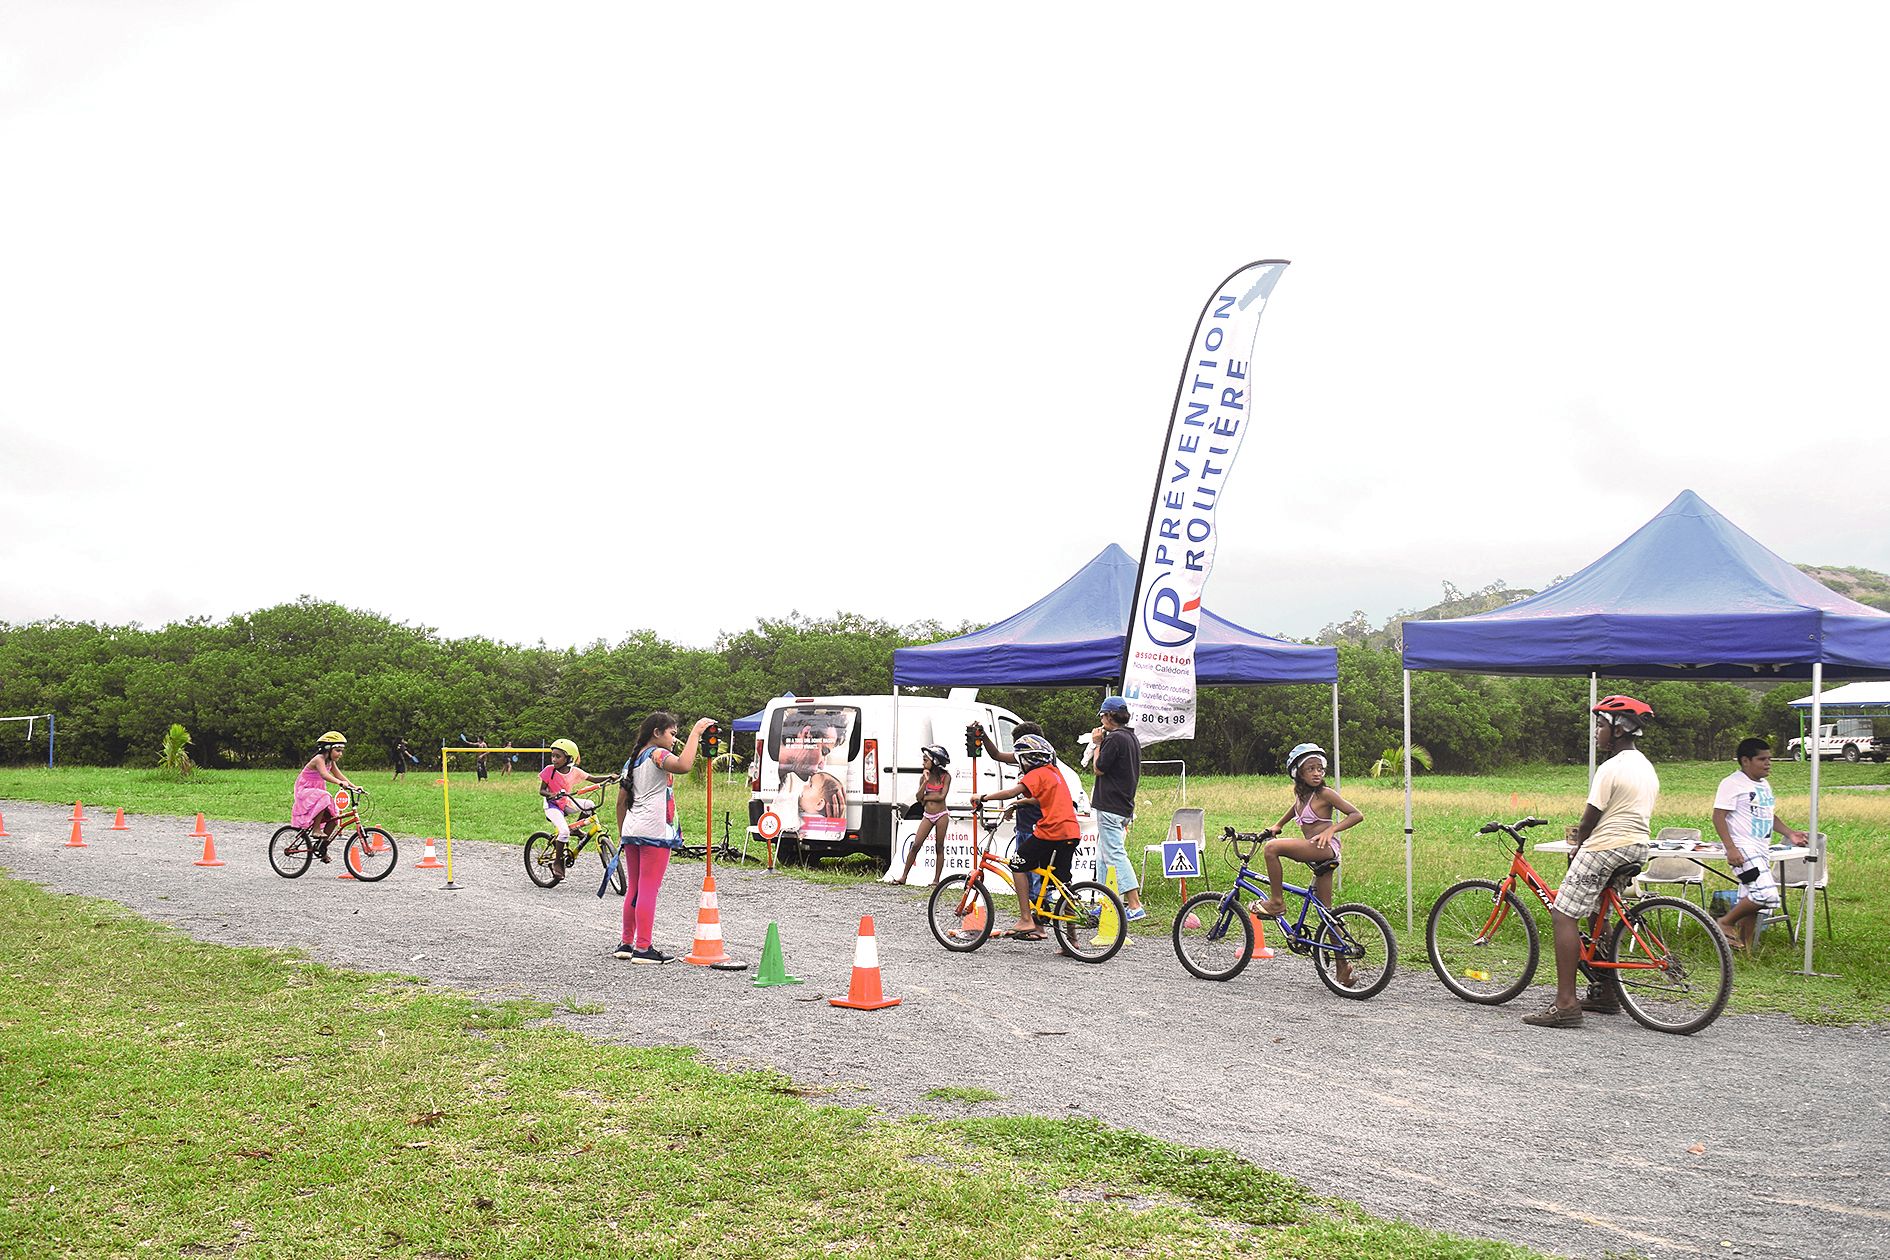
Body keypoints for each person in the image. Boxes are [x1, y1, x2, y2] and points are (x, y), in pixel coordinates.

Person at [1524, 695, 1660, 1028]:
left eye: (1601, 725)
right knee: (1600, 912)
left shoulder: (1610, 767)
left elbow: (1588, 821)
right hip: (1637, 847)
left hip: (1606, 848)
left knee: (1563, 914)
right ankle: (1606, 992)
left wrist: (1577, 848)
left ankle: (1566, 1004)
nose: (1597, 731)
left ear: (1618, 729)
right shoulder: (1645, 766)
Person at [612, 713, 716, 964]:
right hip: (654, 832)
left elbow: (620, 802)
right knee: (649, 888)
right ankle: (644, 948)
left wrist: (622, 833)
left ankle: (627, 943)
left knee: (635, 888)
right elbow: (684, 765)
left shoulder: (632, 760)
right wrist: (697, 733)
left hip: (633, 829)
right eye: (673, 734)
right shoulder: (657, 754)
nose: (674, 740)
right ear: (657, 733)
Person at [1257, 743, 1363, 984]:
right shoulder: (1302, 795)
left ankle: (1275, 902)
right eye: (1311, 769)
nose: (1317, 773)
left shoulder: (1325, 794)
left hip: (1324, 849)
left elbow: (1356, 814)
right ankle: (1342, 968)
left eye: (1320, 769)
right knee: (1327, 912)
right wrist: (1277, 825)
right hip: (1321, 856)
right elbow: (1295, 809)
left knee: (1272, 849)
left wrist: (1332, 829)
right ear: (1298, 773)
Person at [971, 734, 1078, 943]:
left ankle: (1026, 919)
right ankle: (1071, 941)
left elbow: (1012, 791)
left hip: (1051, 831)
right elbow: (1042, 799)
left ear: (1026, 760)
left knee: (1018, 863)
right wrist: (1021, 804)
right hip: (1071, 833)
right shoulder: (1053, 773)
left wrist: (982, 797)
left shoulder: (1035, 774)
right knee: (1063, 885)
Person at [1712, 736, 1808, 951]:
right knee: (1766, 894)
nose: (1768, 763)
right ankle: (1725, 922)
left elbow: (1769, 815)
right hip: (1743, 848)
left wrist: (1790, 833)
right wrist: (1731, 848)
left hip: (1761, 848)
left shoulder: (1764, 784)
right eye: (1762, 759)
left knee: (1751, 899)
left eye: (1769, 759)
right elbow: (1718, 817)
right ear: (1745, 761)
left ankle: (1745, 949)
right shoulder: (1732, 783)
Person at [973, 720, 1049, 908]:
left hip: (1037, 825)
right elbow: (996, 754)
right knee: (1025, 871)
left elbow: (1022, 793)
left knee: (1031, 871)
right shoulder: (1027, 760)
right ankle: (1032, 913)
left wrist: (985, 797)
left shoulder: (1040, 765)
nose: (1018, 755)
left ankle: (1036, 915)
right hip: (1024, 823)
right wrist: (983, 736)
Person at [1087, 696, 1145, 920]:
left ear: (1109, 716)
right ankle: (1105, 901)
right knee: (1102, 856)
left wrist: (1098, 743)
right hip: (1123, 805)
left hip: (1110, 805)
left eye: (1102, 715)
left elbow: (1099, 768)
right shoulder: (1131, 738)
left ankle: (1134, 904)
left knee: (1115, 854)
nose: (1101, 720)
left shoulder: (1113, 740)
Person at [539, 738, 614, 877]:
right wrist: (552, 794)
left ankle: (576, 829)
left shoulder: (575, 772)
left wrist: (609, 777)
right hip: (552, 806)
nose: (554, 759)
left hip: (566, 802)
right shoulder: (549, 771)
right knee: (564, 832)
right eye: (553, 756)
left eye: (558, 756)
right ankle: (557, 863)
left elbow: (593, 778)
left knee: (590, 804)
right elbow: (542, 791)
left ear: (568, 758)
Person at [892, 745, 953, 886]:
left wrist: (927, 797)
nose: (923, 763)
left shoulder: (946, 777)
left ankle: (936, 880)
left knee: (939, 846)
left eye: (926, 760)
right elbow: (919, 797)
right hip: (928, 815)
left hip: (941, 815)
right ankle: (904, 876)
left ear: (935, 761)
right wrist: (925, 783)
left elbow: (942, 796)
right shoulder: (923, 778)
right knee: (916, 845)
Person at [292, 731, 358, 856]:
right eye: (338, 750)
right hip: (305, 789)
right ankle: (316, 829)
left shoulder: (331, 762)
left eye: (341, 751)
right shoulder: (319, 759)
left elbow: (340, 775)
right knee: (325, 796)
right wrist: (339, 783)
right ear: (328, 748)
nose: (340, 754)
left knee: (334, 818)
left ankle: (322, 848)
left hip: (318, 791)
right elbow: (324, 774)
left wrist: (354, 787)